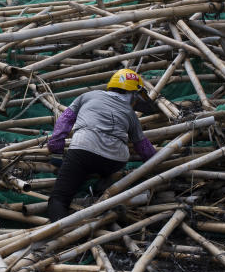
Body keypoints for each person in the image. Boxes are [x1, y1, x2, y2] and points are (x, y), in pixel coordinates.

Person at [45, 68, 159, 221]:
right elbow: (142, 146)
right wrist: (157, 161)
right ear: (132, 94)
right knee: (102, 165)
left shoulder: (88, 96)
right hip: (114, 160)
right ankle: (103, 183)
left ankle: (63, 234)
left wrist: (56, 151)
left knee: (58, 199)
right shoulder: (131, 115)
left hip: (83, 150)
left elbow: (64, 121)